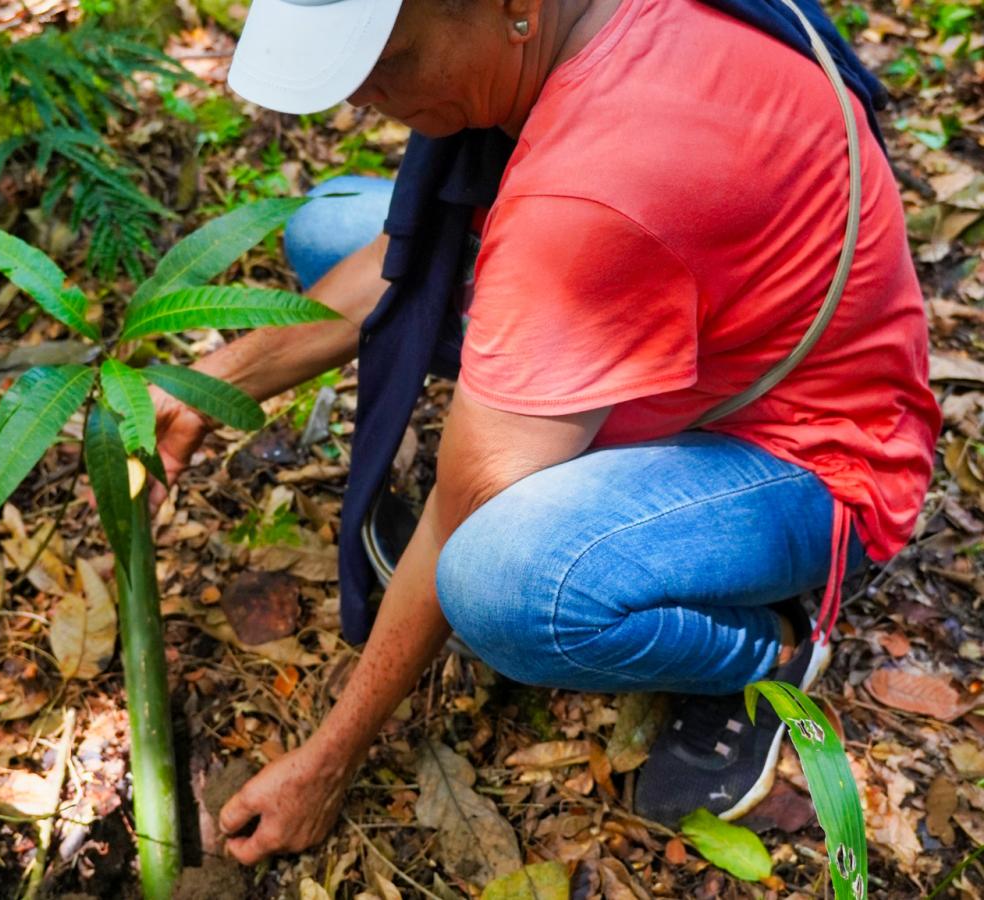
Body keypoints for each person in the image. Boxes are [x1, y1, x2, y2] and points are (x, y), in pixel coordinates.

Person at [150, 0, 941, 865]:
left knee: (501, 581)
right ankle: (544, 405)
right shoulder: (591, 33)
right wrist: (209, 385)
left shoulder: (594, 187)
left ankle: (766, 653)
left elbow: (465, 506)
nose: (367, 100)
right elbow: (403, 258)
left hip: (814, 455)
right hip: (687, 317)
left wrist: (327, 760)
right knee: (329, 225)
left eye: (393, 62)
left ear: (516, 12)